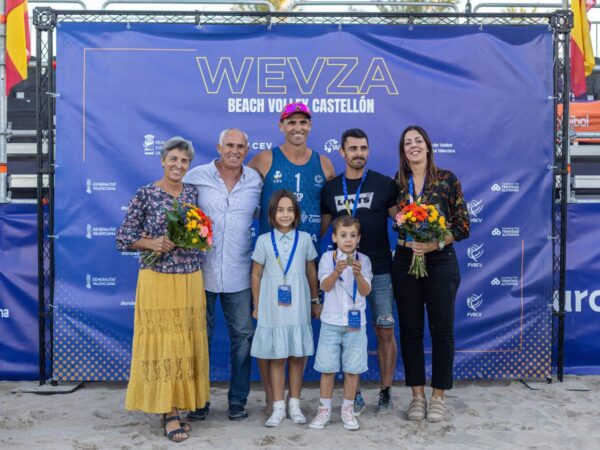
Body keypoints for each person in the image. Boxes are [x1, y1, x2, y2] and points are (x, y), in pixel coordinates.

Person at [116, 137, 209, 443]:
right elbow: (123, 238)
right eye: (173, 159)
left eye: (184, 161)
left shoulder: (192, 193)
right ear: (162, 160)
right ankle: (168, 413)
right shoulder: (145, 194)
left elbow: (196, 231)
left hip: (190, 278)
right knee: (164, 344)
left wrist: (197, 237)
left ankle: (179, 407)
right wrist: (152, 243)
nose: (178, 165)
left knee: (184, 345)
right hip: (158, 279)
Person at [248, 102, 334, 413]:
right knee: (268, 334)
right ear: (281, 126)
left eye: (303, 122)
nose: (298, 127)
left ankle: (293, 401)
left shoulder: (324, 164)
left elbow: (328, 212)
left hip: (303, 260)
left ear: (310, 126)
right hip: (272, 262)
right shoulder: (264, 158)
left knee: (298, 334)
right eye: (291, 122)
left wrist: (311, 235)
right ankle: (273, 400)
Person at [391, 125, 470, 423]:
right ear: (403, 150)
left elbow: (463, 224)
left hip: (440, 262)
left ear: (427, 146)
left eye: (418, 141)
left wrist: (436, 241)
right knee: (410, 331)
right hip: (405, 261)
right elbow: (391, 218)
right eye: (408, 142)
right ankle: (417, 396)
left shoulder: (447, 180)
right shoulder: (397, 183)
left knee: (442, 331)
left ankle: (438, 397)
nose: (413, 146)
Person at [183, 128, 262, 421]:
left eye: (241, 146)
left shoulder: (255, 181)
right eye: (230, 145)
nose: (235, 150)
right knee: (199, 338)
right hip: (199, 274)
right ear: (218, 147)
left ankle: (238, 401)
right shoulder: (196, 177)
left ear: (247, 149)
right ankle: (199, 400)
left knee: (243, 338)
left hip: (240, 275)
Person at [321, 128, 398, 414]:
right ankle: (356, 393)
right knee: (348, 331)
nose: (359, 153)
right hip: (341, 275)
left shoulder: (383, 184)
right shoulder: (330, 189)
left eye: (363, 148)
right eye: (352, 149)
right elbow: (323, 231)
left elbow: (401, 223)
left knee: (385, 330)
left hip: (377, 271)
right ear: (342, 152)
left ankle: (386, 390)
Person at [250, 190, 320, 427]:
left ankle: (295, 404)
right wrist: (257, 306)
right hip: (272, 307)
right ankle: (278, 405)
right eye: (280, 209)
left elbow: (311, 271)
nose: (285, 214)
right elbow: (256, 274)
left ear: (296, 214)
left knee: (297, 356)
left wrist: (314, 301)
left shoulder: (305, 239)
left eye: (290, 209)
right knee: (278, 357)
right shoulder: (263, 241)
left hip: (298, 304)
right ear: (272, 214)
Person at [310, 216, 373, 431]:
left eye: (353, 236)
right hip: (331, 322)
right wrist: (337, 271)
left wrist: (358, 275)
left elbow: (366, 291)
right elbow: (325, 287)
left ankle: (347, 409)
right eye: (343, 235)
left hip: (356, 324)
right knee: (327, 369)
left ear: (358, 239)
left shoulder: (364, 260)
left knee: (352, 369)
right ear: (335, 237)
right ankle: (324, 409)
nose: (348, 240)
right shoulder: (328, 258)